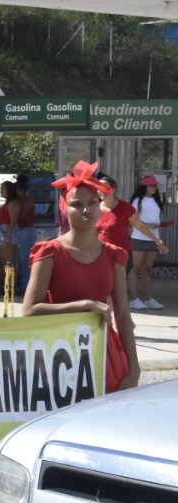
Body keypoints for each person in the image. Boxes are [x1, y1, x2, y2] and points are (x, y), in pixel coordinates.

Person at [24, 162, 139, 393]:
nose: (86, 209)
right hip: (58, 352)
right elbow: (29, 311)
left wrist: (134, 368)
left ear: (100, 205)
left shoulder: (115, 255)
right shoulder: (49, 252)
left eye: (92, 202)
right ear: (64, 209)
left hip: (103, 353)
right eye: (77, 204)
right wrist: (84, 306)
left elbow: (124, 317)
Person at [128, 174, 168, 309]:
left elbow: (155, 218)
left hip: (154, 239)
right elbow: (131, 220)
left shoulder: (157, 200)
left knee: (148, 269)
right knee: (136, 268)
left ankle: (149, 299)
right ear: (144, 186)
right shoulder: (137, 200)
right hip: (139, 238)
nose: (154, 187)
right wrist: (147, 225)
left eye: (155, 185)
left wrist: (158, 224)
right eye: (151, 185)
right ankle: (133, 299)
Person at [11, 174, 37, 293]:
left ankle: (25, 287)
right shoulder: (17, 201)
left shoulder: (27, 201)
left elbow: (20, 216)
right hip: (19, 230)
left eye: (16, 190)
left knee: (24, 260)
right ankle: (18, 285)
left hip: (26, 231)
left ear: (21, 190)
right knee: (16, 259)